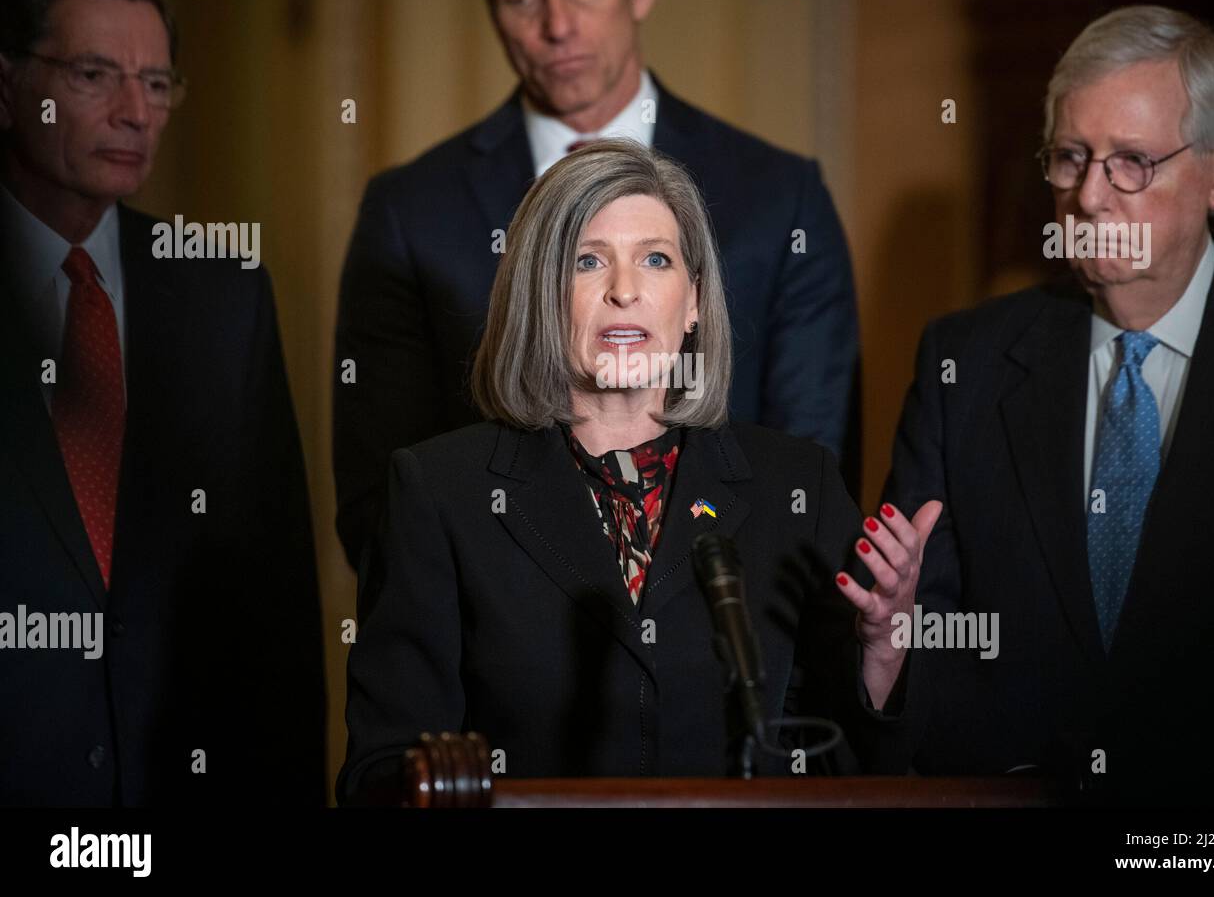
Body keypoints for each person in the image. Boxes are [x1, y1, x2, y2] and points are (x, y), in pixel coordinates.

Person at [337, 140, 939, 804]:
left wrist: (884, 647)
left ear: (693, 302)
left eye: (656, 259)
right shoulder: (439, 491)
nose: (625, 290)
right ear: (540, 293)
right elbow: (381, 773)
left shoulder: (797, 484)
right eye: (588, 261)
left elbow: (859, 770)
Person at [880, 5, 1214, 804]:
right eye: (1072, 158)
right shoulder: (963, 361)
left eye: (1132, 163)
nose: (1091, 198)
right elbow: (914, 638)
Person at [332, 0, 861, 572]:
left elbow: (810, 474)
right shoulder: (410, 209)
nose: (557, 26)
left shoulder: (780, 196)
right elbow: (379, 497)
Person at [0, 0, 325, 805]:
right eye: (95, 74)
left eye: (156, 81)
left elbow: (276, 601)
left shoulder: (222, 289)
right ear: (8, 86)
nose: (134, 111)